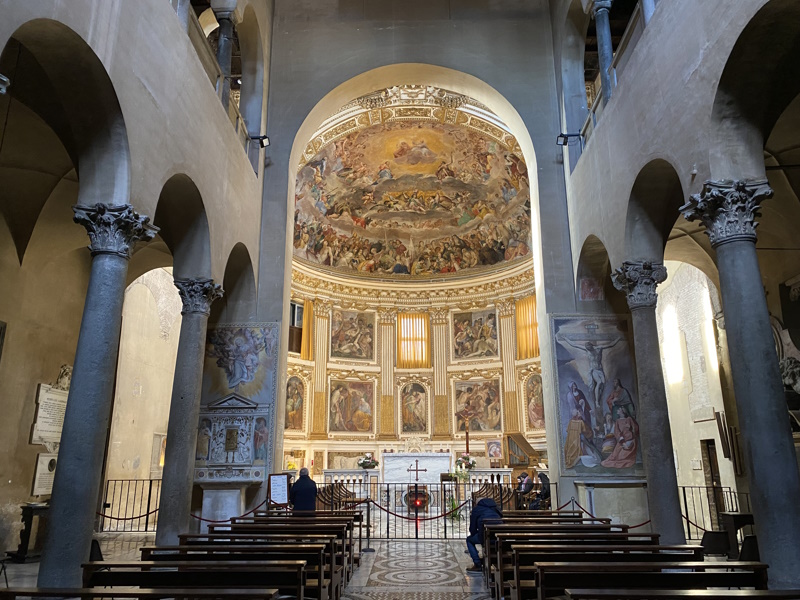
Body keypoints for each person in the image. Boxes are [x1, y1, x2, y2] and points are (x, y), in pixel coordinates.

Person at [466, 497, 502, 574]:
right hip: (499, 536)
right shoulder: (496, 507)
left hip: (484, 536)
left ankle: (477, 564)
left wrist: (474, 534)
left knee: (469, 540)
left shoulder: (477, 509)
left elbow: (472, 527)